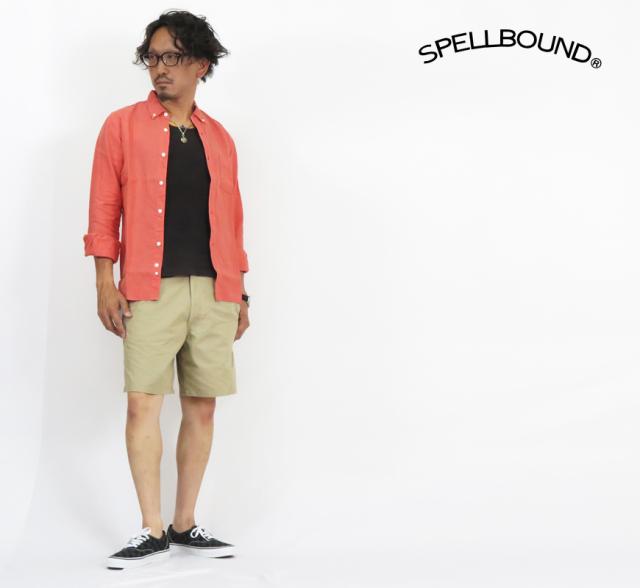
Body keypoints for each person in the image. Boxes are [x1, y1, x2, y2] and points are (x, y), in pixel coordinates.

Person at [82, 10, 251, 570]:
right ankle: (150, 529)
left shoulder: (219, 138)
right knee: (142, 404)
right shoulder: (122, 126)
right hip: (148, 288)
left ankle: (184, 523)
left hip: (214, 288)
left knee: (202, 409)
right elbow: (104, 208)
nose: (160, 68)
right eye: (153, 57)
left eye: (173, 57)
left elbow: (232, 220)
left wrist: (241, 292)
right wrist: (104, 281)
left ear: (201, 64)